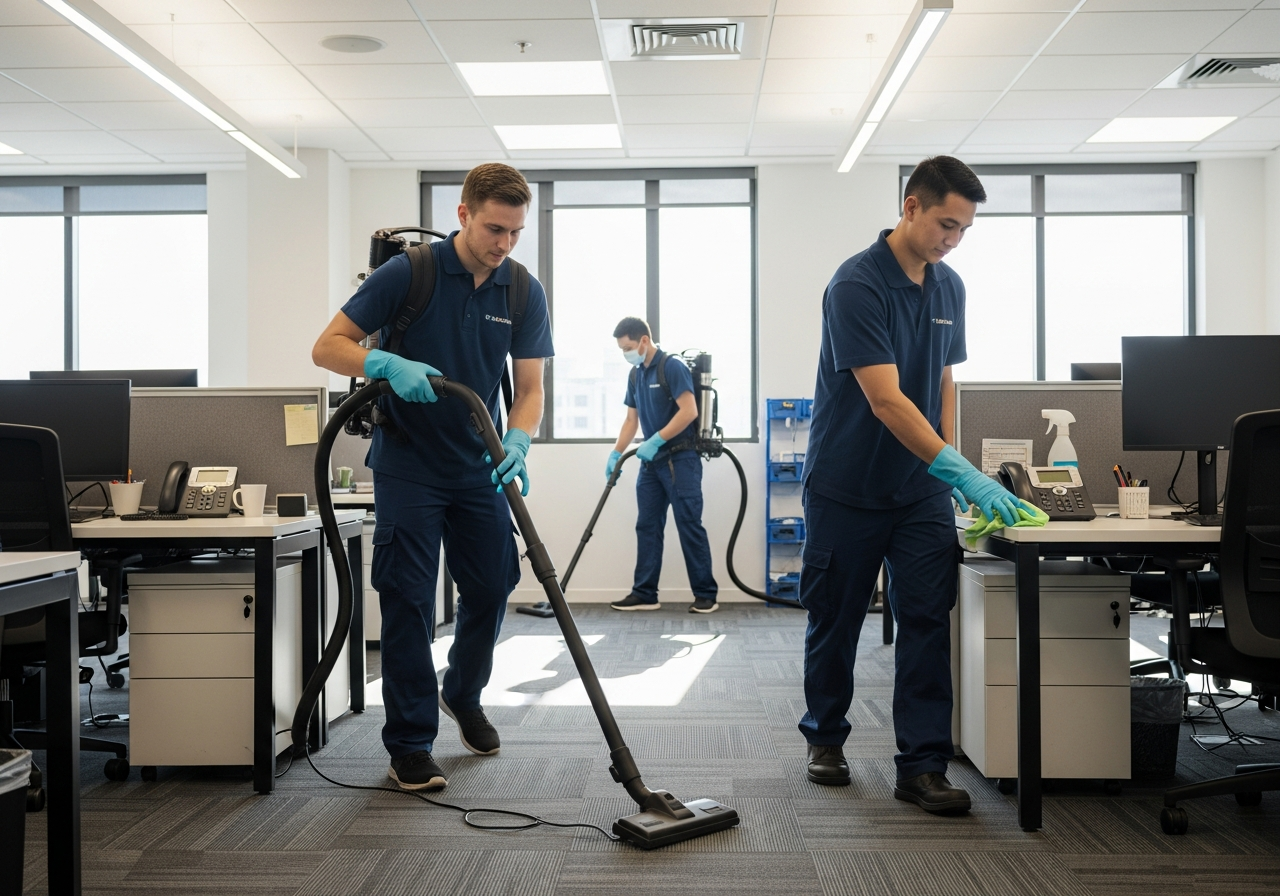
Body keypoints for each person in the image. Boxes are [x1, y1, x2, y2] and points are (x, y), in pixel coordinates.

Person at [797, 156, 1030, 814]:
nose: (952, 240)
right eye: (945, 224)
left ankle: (922, 765)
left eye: (963, 230)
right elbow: (887, 400)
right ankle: (825, 738)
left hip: (919, 491)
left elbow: (943, 380)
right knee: (835, 619)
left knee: (928, 620)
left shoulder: (949, 288)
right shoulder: (856, 286)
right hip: (846, 485)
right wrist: (959, 470)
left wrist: (945, 464)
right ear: (910, 207)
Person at [312, 163, 553, 792]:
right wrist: (384, 361)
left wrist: (520, 439)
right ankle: (411, 743)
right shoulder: (410, 272)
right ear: (464, 215)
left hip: (481, 467)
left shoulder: (523, 291)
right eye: (495, 229)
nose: (503, 245)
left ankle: (463, 692)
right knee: (410, 601)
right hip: (410, 467)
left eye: (515, 233)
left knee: (493, 585)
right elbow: (329, 344)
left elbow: (529, 390)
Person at [606, 317, 719, 614]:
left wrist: (655, 439)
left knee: (688, 524)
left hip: (680, 460)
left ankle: (706, 594)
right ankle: (645, 593)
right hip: (650, 465)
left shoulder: (672, 367)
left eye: (628, 347)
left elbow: (689, 411)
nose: (626, 353)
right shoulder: (635, 374)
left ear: (644, 340)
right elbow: (631, 420)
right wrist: (616, 454)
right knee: (647, 526)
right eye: (621, 349)